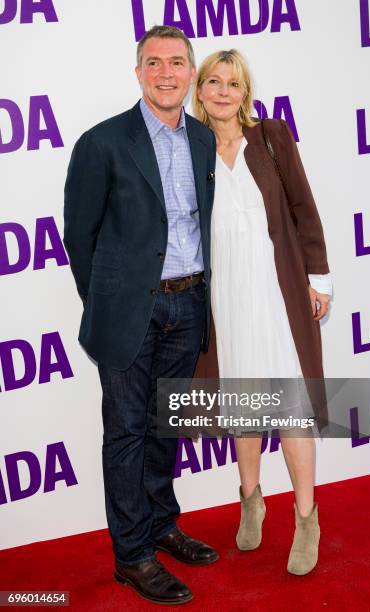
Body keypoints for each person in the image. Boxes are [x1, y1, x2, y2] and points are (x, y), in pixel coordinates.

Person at [63, 25, 218, 606]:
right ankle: (132, 556)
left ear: (189, 72)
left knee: (165, 425)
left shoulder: (203, 140)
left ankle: (161, 525)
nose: (167, 73)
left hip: (189, 302)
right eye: (154, 63)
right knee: (127, 432)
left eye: (177, 62)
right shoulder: (102, 143)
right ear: (138, 73)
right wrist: (108, 300)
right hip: (131, 310)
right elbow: (79, 236)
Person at [192, 49, 332, 575]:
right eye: (213, 81)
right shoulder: (191, 148)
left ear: (245, 92)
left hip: (277, 290)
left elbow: (304, 208)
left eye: (233, 82)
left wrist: (318, 278)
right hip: (223, 294)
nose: (223, 91)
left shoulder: (272, 138)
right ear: (200, 90)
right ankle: (251, 498)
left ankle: (305, 517)